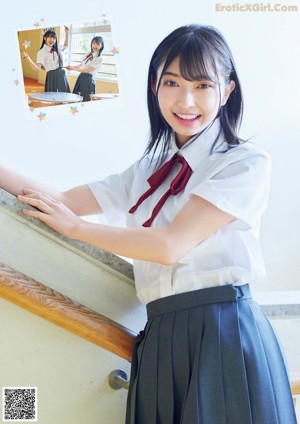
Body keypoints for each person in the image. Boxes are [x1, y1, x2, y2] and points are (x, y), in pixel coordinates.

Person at [1, 24, 296, 423]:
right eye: (172, 82)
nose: (186, 100)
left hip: (224, 330)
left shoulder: (244, 162)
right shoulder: (147, 170)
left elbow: (171, 244)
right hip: (161, 332)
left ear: (226, 91)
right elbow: (61, 200)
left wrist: (76, 229)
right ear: (155, 85)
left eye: (203, 86)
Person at [23, 27, 70, 93]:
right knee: (54, 97)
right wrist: (28, 58)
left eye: (54, 38)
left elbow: (66, 46)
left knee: (64, 96)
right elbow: (37, 68)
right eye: (50, 37)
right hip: (52, 76)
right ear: (45, 38)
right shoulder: (42, 52)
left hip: (62, 74)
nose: (52, 40)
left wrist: (67, 33)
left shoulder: (57, 48)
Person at [67, 36, 104, 101]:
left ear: (101, 45)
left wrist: (73, 69)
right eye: (93, 43)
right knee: (77, 98)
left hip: (88, 80)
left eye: (98, 44)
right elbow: (82, 64)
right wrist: (72, 67)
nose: (95, 46)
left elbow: (87, 70)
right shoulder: (88, 54)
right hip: (81, 77)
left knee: (85, 99)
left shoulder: (99, 59)